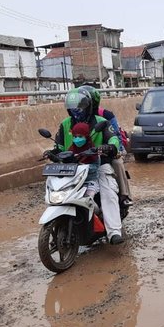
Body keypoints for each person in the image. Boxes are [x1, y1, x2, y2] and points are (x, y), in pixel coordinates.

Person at [51, 88, 125, 244]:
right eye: (72, 108)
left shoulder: (100, 121)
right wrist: (53, 152)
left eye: (79, 107)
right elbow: (58, 145)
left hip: (98, 165)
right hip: (72, 168)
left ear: (88, 106)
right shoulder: (65, 124)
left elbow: (113, 138)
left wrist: (109, 147)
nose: (76, 111)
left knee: (108, 190)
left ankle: (114, 232)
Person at [79, 85, 133, 208]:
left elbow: (116, 134)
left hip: (107, 151)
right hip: (84, 154)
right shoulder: (75, 118)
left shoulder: (106, 115)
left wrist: (114, 149)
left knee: (117, 163)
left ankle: (124, 196)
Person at [67, 122, 100, 199]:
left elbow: (95, 167)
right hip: (73, 182)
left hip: (89, 181)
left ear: (87, 137)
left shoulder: (93, 151)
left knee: (88, 199)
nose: (77, 139)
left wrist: (82, 166)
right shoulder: (71, 150)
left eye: (80, 136)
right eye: (75, 137)